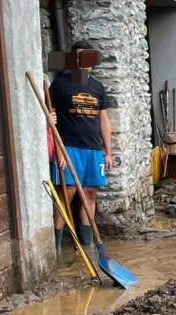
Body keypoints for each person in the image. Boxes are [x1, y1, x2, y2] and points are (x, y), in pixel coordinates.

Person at [49, 40, 114, 261]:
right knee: (66, 194)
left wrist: (108, 152)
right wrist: (58, 151)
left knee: (90, 193)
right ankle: (56, 247)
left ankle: (87, 245)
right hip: (68, 148)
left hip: (93, 150)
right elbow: (51, 120)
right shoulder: (60, 85)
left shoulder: (98, 87)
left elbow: (104, 121)